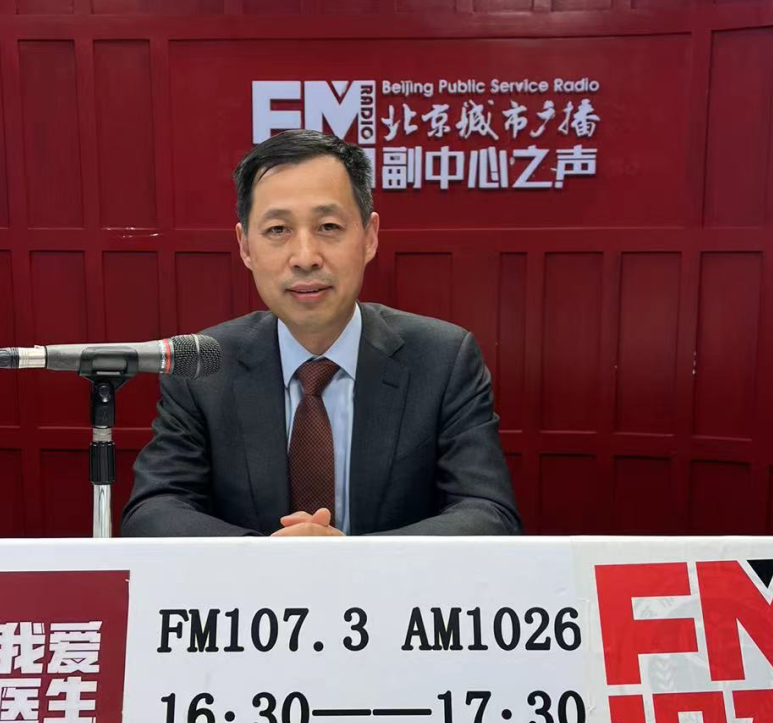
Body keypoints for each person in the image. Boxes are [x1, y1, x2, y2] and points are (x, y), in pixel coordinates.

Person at [120, 130, 521, 539]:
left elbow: (488, 514)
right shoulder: (204, 367)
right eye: (278, 230)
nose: (306, 257)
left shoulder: (443, 359)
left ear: (369, 236)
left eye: (328, 226)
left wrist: (350, 558)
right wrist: (266, 556)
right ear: (245, 246)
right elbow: (152, 512)